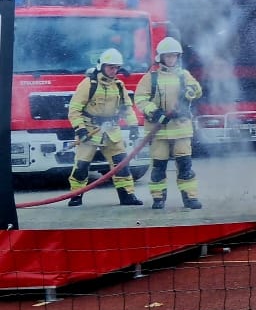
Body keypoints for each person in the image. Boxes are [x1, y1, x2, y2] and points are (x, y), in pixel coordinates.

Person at [65, 47, 144, 208]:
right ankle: (76, 196)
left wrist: (133, 126)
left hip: (111, 131)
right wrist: (80, 129)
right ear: (101, 66)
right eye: (110, 67)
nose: (113, 71)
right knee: (81, 166)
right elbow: (74, 109)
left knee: (121, 165)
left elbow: (127, 108)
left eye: (116, 68)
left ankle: (127, 195)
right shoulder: (89, 84)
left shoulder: (119, 86)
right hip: (90, 130)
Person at [133, 36, 205, 211]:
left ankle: (190, 198)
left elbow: (197, 90)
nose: (171, 59)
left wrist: (189, 91)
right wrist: (155, 112)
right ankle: (158, 199)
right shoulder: (151, 78)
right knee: (159, 167)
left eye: (174, 55)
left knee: (185, 166)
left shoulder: (184, 75)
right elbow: (140, 99)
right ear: (161, 57)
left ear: (178, 57)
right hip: (158, 130)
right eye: (168, 56)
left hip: (181, 128)